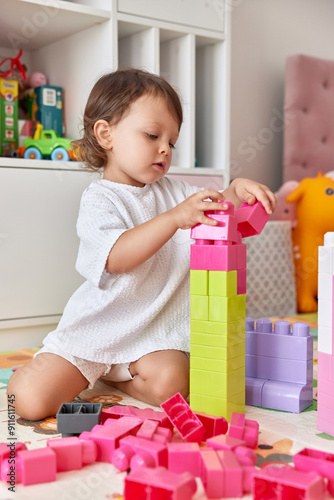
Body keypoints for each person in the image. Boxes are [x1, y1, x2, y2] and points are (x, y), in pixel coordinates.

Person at [8, 69, 276, 420]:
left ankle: (118, 380)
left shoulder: (177, 192)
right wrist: (174, 219)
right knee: (28, 401)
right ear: (106, 134)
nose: (165, 148)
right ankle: (83, 367)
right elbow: (116, 257)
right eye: (152, 135)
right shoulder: (100, 200)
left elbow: (215, 206)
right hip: (99, 330)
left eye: (171, 141)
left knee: (174, 384)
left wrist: (235, 191)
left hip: (152, 334)